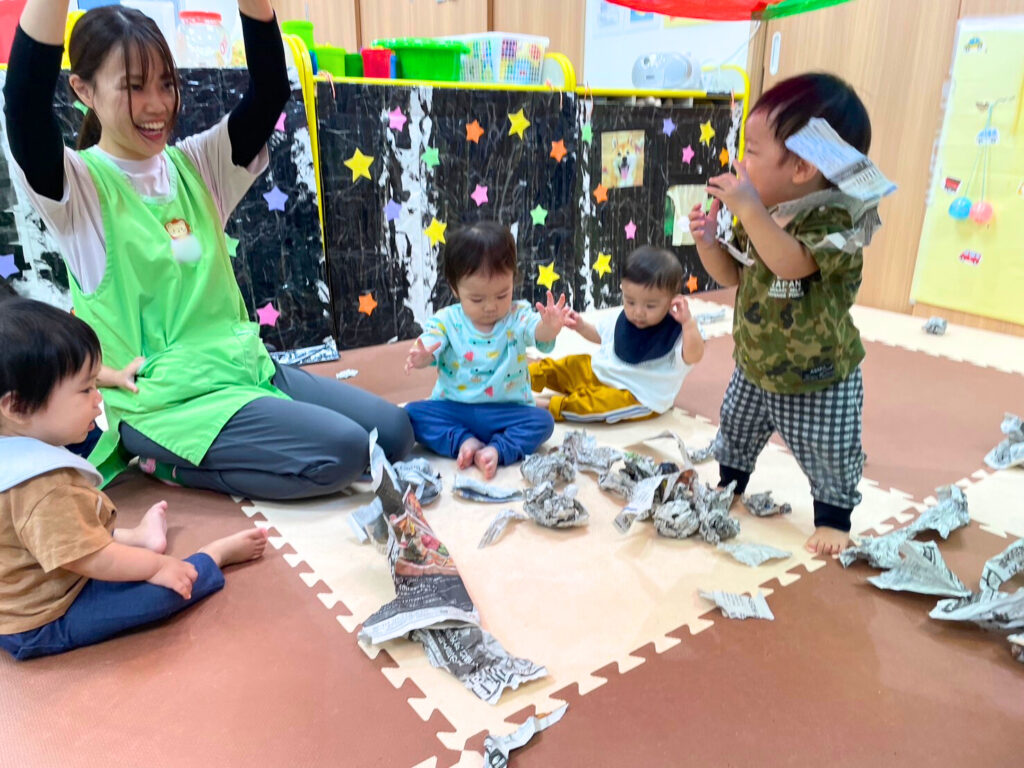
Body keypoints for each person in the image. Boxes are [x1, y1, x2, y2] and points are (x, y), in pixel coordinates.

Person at [3, 0, 413, 500]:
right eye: (134, 87)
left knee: (394, 434)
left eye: (165, 84)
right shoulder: (77, 190)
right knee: (345, 453)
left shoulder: (197, 164)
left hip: (245, 368)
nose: (156, 105)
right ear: (83, 91)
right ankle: (164, 460)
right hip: (166, 403)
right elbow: (22, 103)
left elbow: (268, 94)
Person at [0, 298, 268, 661]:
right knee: (170, 589)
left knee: (77, 524)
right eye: (85, 390)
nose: (98, 401)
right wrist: (159, 566)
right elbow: (94, 561)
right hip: (43, 618)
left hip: (45, 567)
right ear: (16, 407)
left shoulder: (15, 450)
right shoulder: (41, 487)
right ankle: (213, 557)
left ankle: (141, 537)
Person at [689, 73, 877, 555]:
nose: (740, 161)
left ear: (800, 166)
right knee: (736, 428)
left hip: (818, 374)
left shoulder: (835, 218)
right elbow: (733, 275)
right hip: (755, 362)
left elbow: (791, 261)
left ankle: (833, 517)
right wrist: (709, 242)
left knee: (828, 448)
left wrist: (750, 211)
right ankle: (731, 482)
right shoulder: (765, 210)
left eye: (752, 149)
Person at [403, 222, 568, 479]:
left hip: (506, 412)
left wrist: (550, 327)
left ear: (514, 278)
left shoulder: (518, 314)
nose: (491, 306)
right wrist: (423, 356)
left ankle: (497, 449)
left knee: (542, 423)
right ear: (456, 288)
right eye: (477, 299)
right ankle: (464, 441)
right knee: (410, 415)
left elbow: (537, 332)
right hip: (454, 408)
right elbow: (429, 343)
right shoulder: (447, 319)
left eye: (502, 295)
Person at [529, 246, 704, 423]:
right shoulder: (624, 316)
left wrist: (688, 323)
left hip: (636, 394)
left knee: (595, 405)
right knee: (571, 364)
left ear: (673, 299)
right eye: (630, 301)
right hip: (601, 371)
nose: (638, 312)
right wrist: (581, 326)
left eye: (650, 306)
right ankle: (519, 377)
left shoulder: (679, 330)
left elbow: (693, 356)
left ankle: (546, 407)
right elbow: (601, 335)